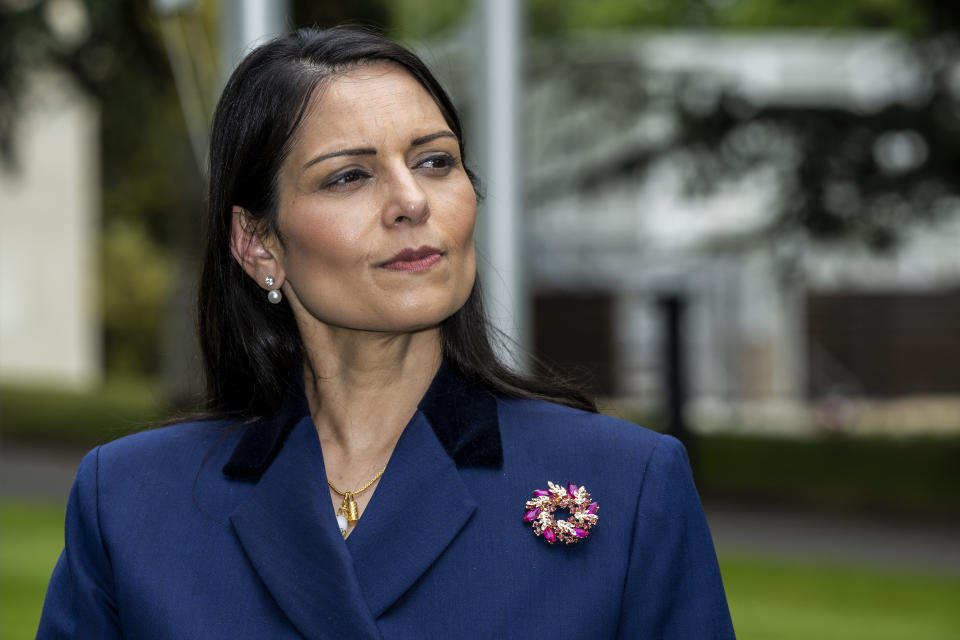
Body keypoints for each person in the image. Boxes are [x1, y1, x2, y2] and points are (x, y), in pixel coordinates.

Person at [37, 26, 735, 639]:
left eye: (435, 161)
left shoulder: (629, 483)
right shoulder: (129, 501)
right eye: (348, 177)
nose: (410, 201)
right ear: (258, 243)